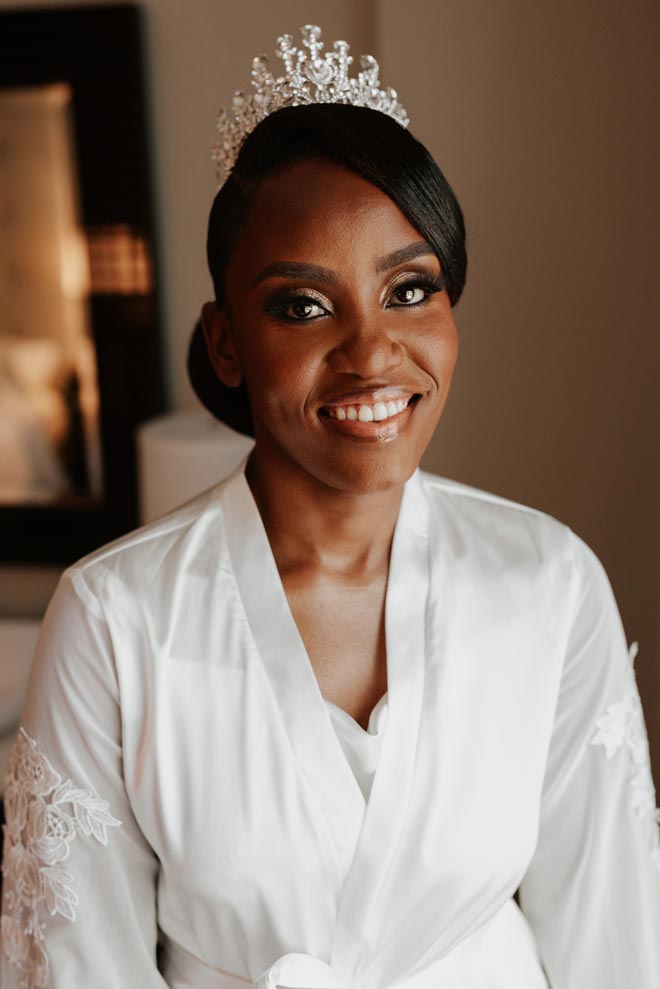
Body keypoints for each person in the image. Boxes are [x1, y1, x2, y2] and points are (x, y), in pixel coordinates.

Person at [1, 24, 659, 989]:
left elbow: (617, 941)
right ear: (225, 344)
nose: (371, 351)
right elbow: (75, 967)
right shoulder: (114, 619)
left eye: (409, 290)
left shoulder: (549, 582)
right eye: (302, 306)